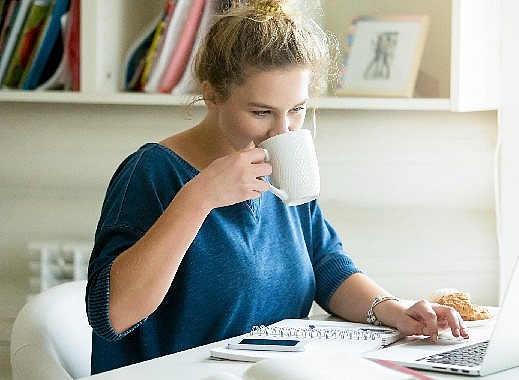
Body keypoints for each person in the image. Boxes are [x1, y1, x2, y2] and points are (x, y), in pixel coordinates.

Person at [85, 0, 469, 374]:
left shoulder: (280, 166)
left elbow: (324, 263)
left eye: (296, 109)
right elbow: (111, 316)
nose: (282, 131)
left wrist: (393, 310)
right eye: (261, 112)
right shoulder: (152, 172)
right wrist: (200, 196)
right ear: (213, 94)